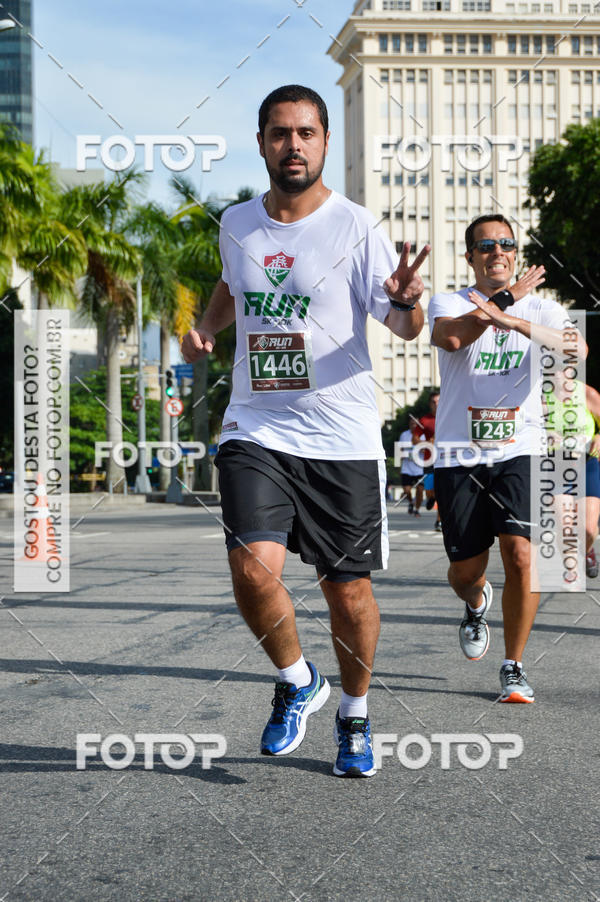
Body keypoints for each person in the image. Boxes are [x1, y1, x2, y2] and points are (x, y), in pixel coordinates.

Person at [181, 85, 429, 776]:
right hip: (256, 426)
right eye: (281, 133)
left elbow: (403, 324)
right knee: (250, 566)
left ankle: (354, 713)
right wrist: (206, 328)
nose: (294, 144)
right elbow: (231, 290)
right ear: (261, 142)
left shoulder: (357, 228)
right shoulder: (236, 222)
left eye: (307, 133)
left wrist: (407, 304)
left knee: (346, 592)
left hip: (341, 438)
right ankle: (297, 681)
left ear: (325, 141)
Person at [429, 213, 587, 703]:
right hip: (459, 454)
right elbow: (451, 339)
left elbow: (575, 349)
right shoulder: (448, 302)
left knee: (521, 554)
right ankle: (476, 602)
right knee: (465, 571)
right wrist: (501, 301)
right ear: (470, 256)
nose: (497, 252)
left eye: (506, 244)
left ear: (515, 253)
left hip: (522, 447)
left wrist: (514, 317)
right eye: (486, 246)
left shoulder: (540, 307)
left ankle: (513, 666)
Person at [543, 372, 600, 579]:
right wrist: (544, 434)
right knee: (564, 525)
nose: (558, 374)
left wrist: (599, 437)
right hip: (556, 468)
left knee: (588, 529)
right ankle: (571, 569)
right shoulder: (541, 396)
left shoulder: (586, 393)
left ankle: (587, 550)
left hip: (586, 465)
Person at [416, 391, 441, 530]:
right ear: (430, 404)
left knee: (441, 492)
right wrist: (426, 443)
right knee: (430, 491)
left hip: (445, 460)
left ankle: (439, 521)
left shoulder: (448, 416)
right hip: (429, 460)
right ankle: (430, 497)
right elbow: (415, 439)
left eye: (438, 401)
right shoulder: (424, 420)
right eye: (434, 402)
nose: (436, 404)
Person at [399, 419, 424, 515]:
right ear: (409, 425)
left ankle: (417, 509)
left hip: (420, 468)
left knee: (420, 490)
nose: (413, 426)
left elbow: (428, 450)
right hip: (407, 468)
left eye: (415, 424)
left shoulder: (423, 435)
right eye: (411, 424)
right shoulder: (404, 435)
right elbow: (399, 450)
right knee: (406, 491)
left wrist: (423, 450)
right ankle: (411, 502)